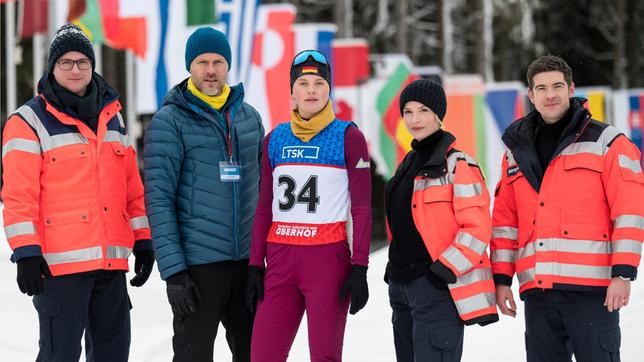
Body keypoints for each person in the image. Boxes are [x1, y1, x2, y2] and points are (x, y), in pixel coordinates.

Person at [1, 24, 153, 361]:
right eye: (66, 62)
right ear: (52, 67)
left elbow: (131, 187)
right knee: (60, 356)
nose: (75, 69)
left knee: (113, 355)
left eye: (83, 62)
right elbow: (18, 195)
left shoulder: (113, 117)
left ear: (92, 66)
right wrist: (25, 252)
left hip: (110, 267)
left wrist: (142, 238)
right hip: (58, 270)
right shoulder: (26, 121)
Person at [491, 55, 644, 362]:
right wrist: (502, 279)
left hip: (593, 291)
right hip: (538, 291)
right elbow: (506, 221)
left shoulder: (607, 142)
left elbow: (629, 209)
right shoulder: (516, 151)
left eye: (558, 86)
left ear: (571, 88)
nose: (551, 95)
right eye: (542, 88)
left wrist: (623, 274)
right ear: (531, 95)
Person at [143, 27, 264, 362]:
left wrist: (262, 261)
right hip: (198, 267)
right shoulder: (170, 121)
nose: (211, 70)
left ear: (228, 65)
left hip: (246, 266)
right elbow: (158, 200)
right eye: (202, 62)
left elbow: (265, 195)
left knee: (256, 354)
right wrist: (175, 273)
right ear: (189, 67)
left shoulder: (249, 118)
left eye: (218, 61)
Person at [245, 49, 371, 362]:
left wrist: (360, 267)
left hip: (327, 261)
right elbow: (263, 208)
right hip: (280, 259)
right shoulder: (275, 139)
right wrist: (254, 264)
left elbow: (363, 208)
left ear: (329, 89)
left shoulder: (349, 137)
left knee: (324, 356)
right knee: (262, 355)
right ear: (292, 92)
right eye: (303, 83)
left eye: (319, 82)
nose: (311, 90)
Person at [384, 79, 499, 362]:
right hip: (402, 288)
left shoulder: (458, 165)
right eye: (408, 112)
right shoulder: (408, 163)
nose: (415, 119)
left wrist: (442, 272)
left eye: (423, 110)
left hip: (435, 288)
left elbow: (477, 228)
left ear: (438, 114)